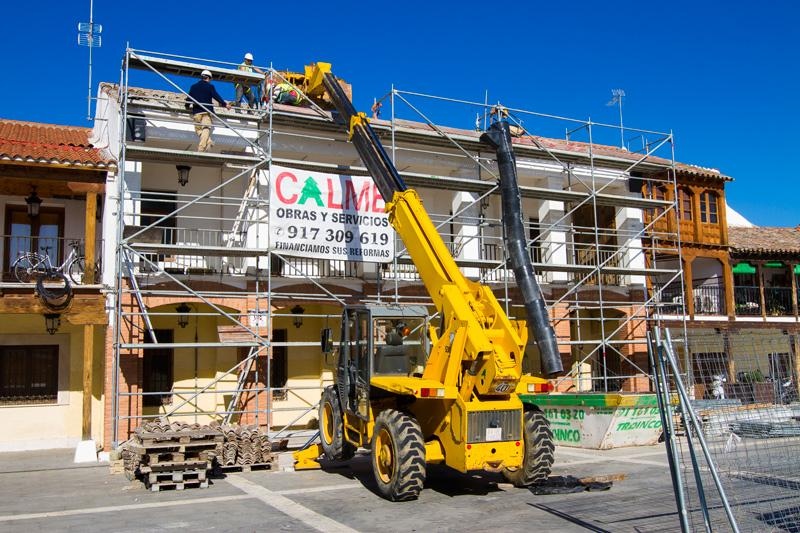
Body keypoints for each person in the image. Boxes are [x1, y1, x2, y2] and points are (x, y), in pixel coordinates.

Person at [186, 70, 231, 152]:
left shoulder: (193, 86)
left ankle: (209, 141)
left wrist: (187, 107)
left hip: (197, 112)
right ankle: (201, 148)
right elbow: (216, 96)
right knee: (206, 128)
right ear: (209, 78)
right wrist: (225, 104)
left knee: (198, 129)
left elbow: (188, 99)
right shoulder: (210, 87)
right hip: (207, 112)